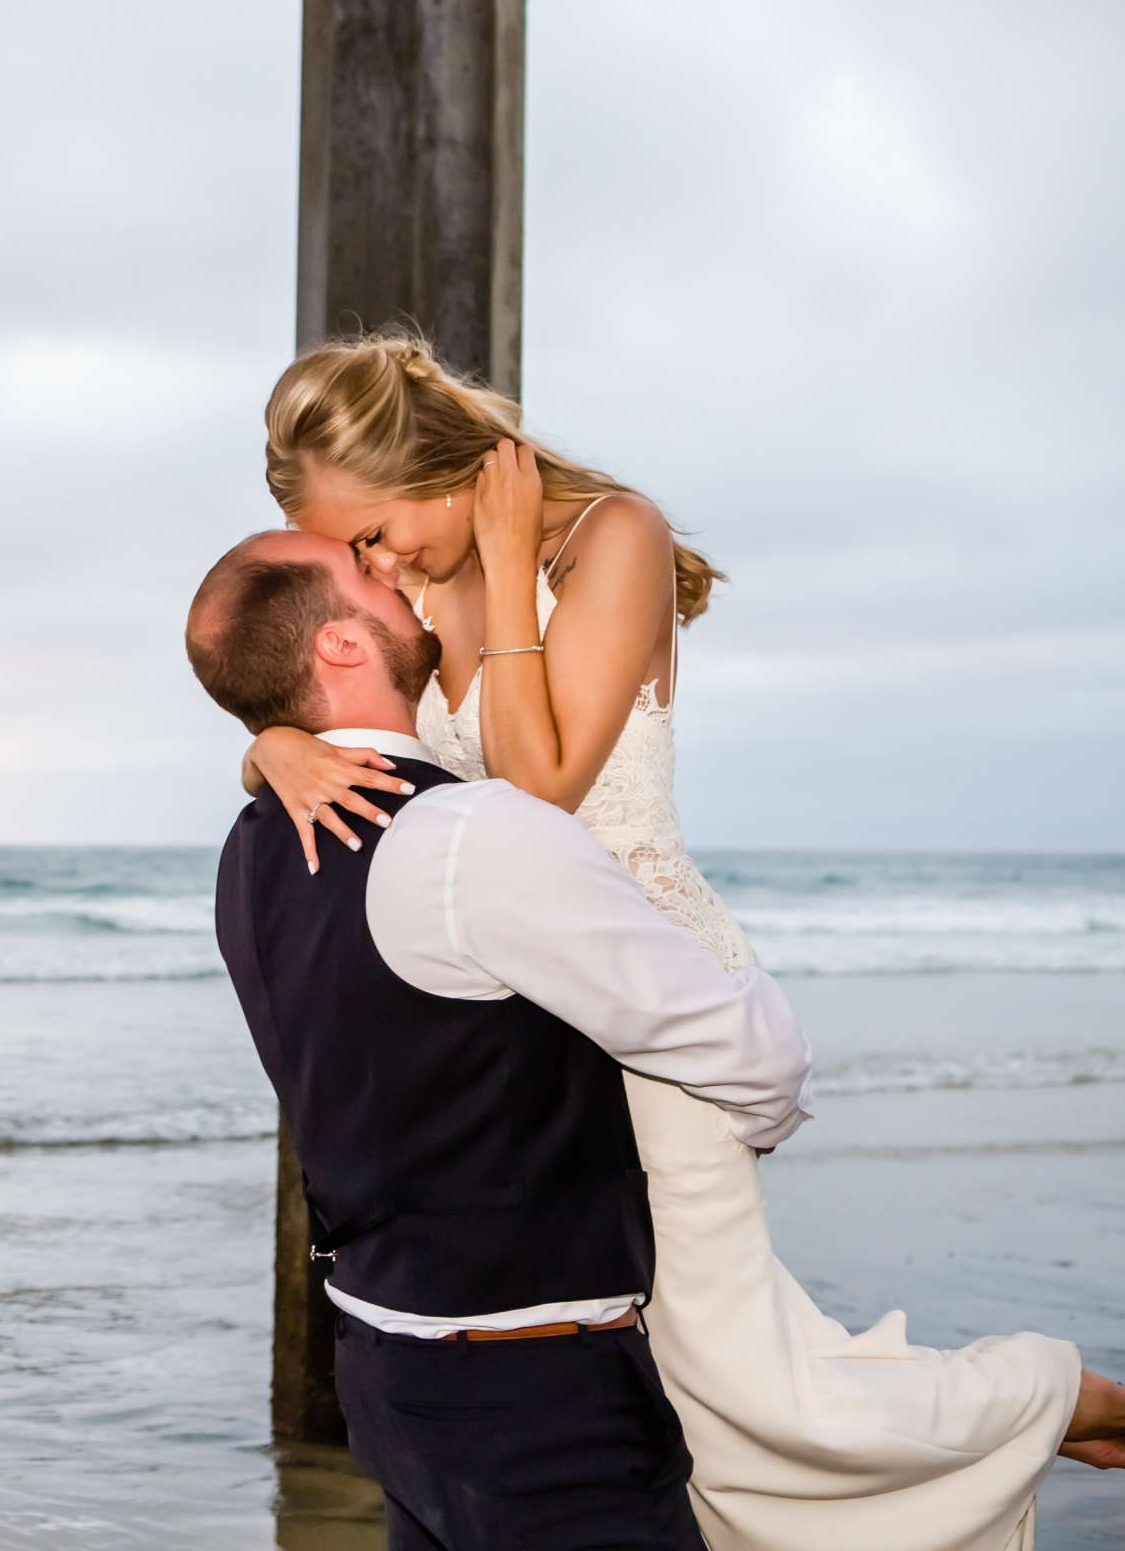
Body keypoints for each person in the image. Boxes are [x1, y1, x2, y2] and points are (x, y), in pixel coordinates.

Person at [237, 331, 1125, 1548]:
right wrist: (273, 744)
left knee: (740, 1376)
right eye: (352, 550)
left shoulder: (614, 536)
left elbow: (537, 788)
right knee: (675, 1379)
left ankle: (1038, 1392)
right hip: (537, 1044)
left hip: (661, 1004)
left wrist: (510, 571)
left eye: (372, 530)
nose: (373, 562)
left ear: (434, 461)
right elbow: (359, 714)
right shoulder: (414, 580)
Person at [193, 529, 813, 1547]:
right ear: (341, 648)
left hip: (386, 1371)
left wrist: (270, 739)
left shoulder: (249, 843)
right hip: (539, 1393)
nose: (393, 572)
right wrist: (744, 1137)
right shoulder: (469, 832)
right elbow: (751, 1049)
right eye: (367, 577)